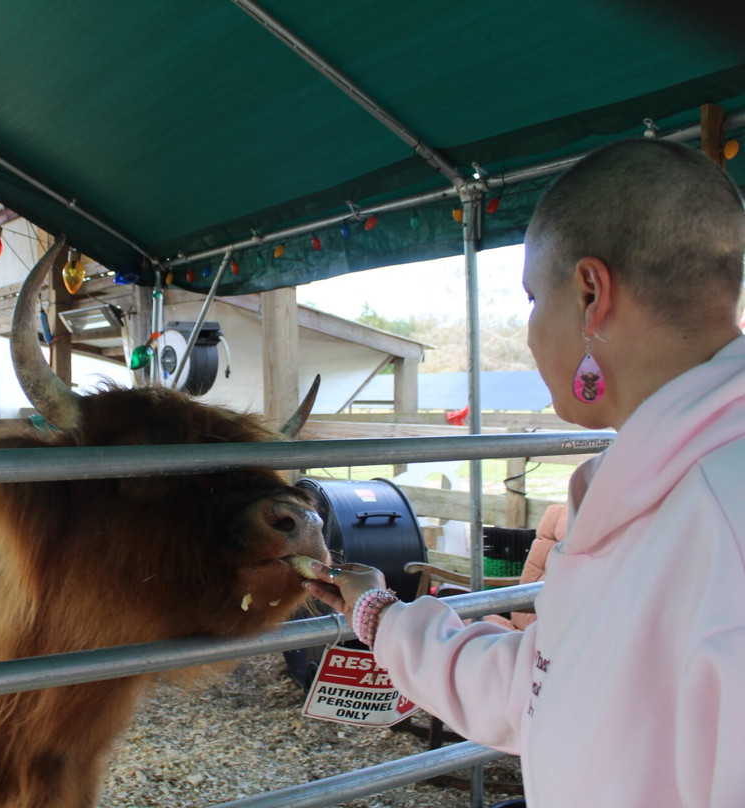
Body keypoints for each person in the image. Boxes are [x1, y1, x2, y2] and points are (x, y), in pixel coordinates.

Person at [304, 138, 745, 808]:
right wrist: (378, 615)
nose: (533, 332)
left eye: (534, 298)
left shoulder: (725, 523)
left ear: (591, 293)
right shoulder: (648, 487)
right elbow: (544, 684)